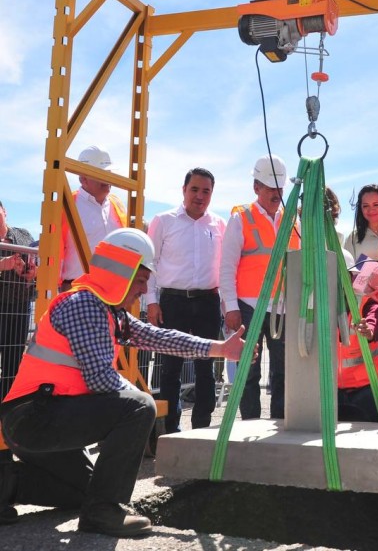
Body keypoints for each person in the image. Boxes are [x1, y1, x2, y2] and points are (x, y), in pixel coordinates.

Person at [0, 228, 244, 536]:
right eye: (141, 280)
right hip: (33, 418)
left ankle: (6, 486)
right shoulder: (84, 305)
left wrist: (219, 348)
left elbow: (159, 337)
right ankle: (103, 513)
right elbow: (101, 378)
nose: (144, 290)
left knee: (86, 489)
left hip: (41, 419)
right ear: (123, 273)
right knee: (139, 406)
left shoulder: (108, 312)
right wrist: (142, 411)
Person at [146, 168, 225, 433]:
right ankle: (169, 430)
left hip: (208, 303)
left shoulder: (219, 225)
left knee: (206, 369)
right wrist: (152, 303)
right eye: (195, 189)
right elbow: (149, 263)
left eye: (206, 191)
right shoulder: (163, 221)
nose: (200, 196)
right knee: (169, 369)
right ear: (183, 190)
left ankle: (202, 429)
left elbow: (225, 267)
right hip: (173, 303)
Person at [220, 155, 300, 420]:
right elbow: (227, 267)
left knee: (283, 372)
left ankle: (279, 426)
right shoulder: (240, 218)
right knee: (248, 372)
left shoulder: (293, 221)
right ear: (256, 187)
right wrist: (231, 307)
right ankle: (249, 425)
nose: (276, 193)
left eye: (279, 188)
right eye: (269, 188)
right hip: (248, 306)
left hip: (282, 307)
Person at [344, 184, 378, 393]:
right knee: (372, 357)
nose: (371, 209)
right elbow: (348, 271)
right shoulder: (354, 237)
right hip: (365, 306)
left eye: (376, 204)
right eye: (365, 205)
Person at [337, 250, 378, 423]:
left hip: (367, 387)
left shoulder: (366, 305)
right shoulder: (316, 310)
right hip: (332, 390)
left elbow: (376, 321)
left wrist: (370, 331)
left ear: (352, 278)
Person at [61, 145, 126, 290]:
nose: (108, 179)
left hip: (113, 289)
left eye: (109, 173)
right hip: (76, 290)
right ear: (83, 179)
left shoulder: (117, 205)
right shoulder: (68, 205)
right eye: (102, 174)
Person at [0, 200, 37, 402]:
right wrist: (2, 265)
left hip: (19, 309)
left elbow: (38, 261)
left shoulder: (23, 235)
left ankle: (7, 409)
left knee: (13, 362)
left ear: (4, 211)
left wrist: (32, 272)